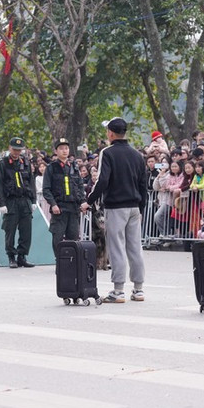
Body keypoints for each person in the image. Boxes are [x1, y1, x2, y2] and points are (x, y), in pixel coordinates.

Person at [81, 117, 148, 303]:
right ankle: (138, 288)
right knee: (135, 247)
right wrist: (141, 208)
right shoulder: (137, 155)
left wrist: (89, 201)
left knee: (116, 247)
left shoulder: (107, 153)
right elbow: (144, 185)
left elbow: (102, 181)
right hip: (134, 206)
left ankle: (118, 290)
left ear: (110, 133)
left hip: (116, 206)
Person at [0, 137, 36, 269]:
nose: (16, 152)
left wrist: (34, 200)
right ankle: (11, 256)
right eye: (14, 149)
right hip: (11, 200)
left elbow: (31, 182)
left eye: (19, 150)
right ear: (9, 148)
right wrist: (2, 203)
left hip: (24, 200)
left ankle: (22, 256)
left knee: (26, 231)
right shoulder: (3, 164)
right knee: (10, 230)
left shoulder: (25, 162)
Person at [42, 138, 86, 258]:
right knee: (58, 236)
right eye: (61, 148)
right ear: (56, 151)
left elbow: (80, 186)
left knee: (73, 236)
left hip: (73, 207)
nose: (64, 151)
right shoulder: (51, 168)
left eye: (66, 148)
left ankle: (72, 260)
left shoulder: (74, 167)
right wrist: (53, 204)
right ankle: (60, 260)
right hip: (59, 208)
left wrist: (83, 202)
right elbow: (46, 189)